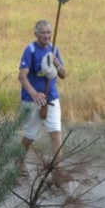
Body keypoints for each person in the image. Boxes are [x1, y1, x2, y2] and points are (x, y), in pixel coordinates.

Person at [18, 19, 68, 166]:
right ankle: (18, 163)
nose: (46, 36)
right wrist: (34, 94)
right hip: (31, 99)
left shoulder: (54, 49)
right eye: (43, 33)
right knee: (30, 135)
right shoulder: (30, 50)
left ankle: (57, 169)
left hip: (51, 97)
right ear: (36, 34)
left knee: (56, 132)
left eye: (48, 32)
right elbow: (22, 76)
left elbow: (64, 74)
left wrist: (56, 62)